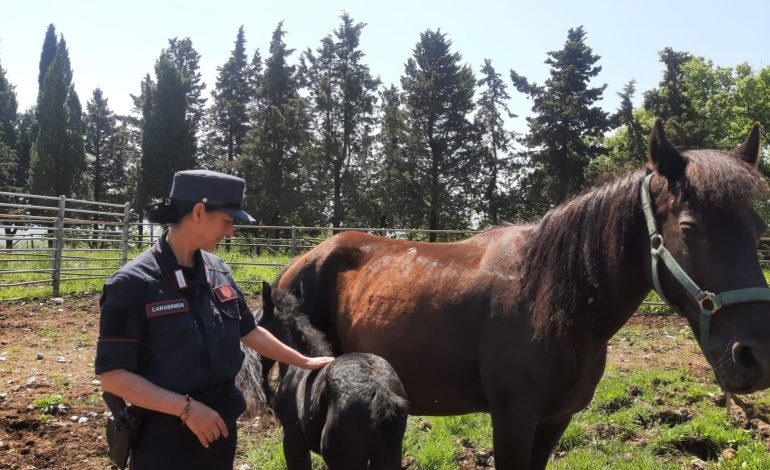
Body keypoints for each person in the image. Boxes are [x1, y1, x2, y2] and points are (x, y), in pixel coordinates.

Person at [95, 170, 334, 470]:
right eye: (227, 221)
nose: (231, 232)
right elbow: (113, 377)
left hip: (219, 432)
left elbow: (249, 331)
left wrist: (305, 361)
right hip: (164, 442)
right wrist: (187, 410)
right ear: (198, 212)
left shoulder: (217, 270)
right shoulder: (133, 284)